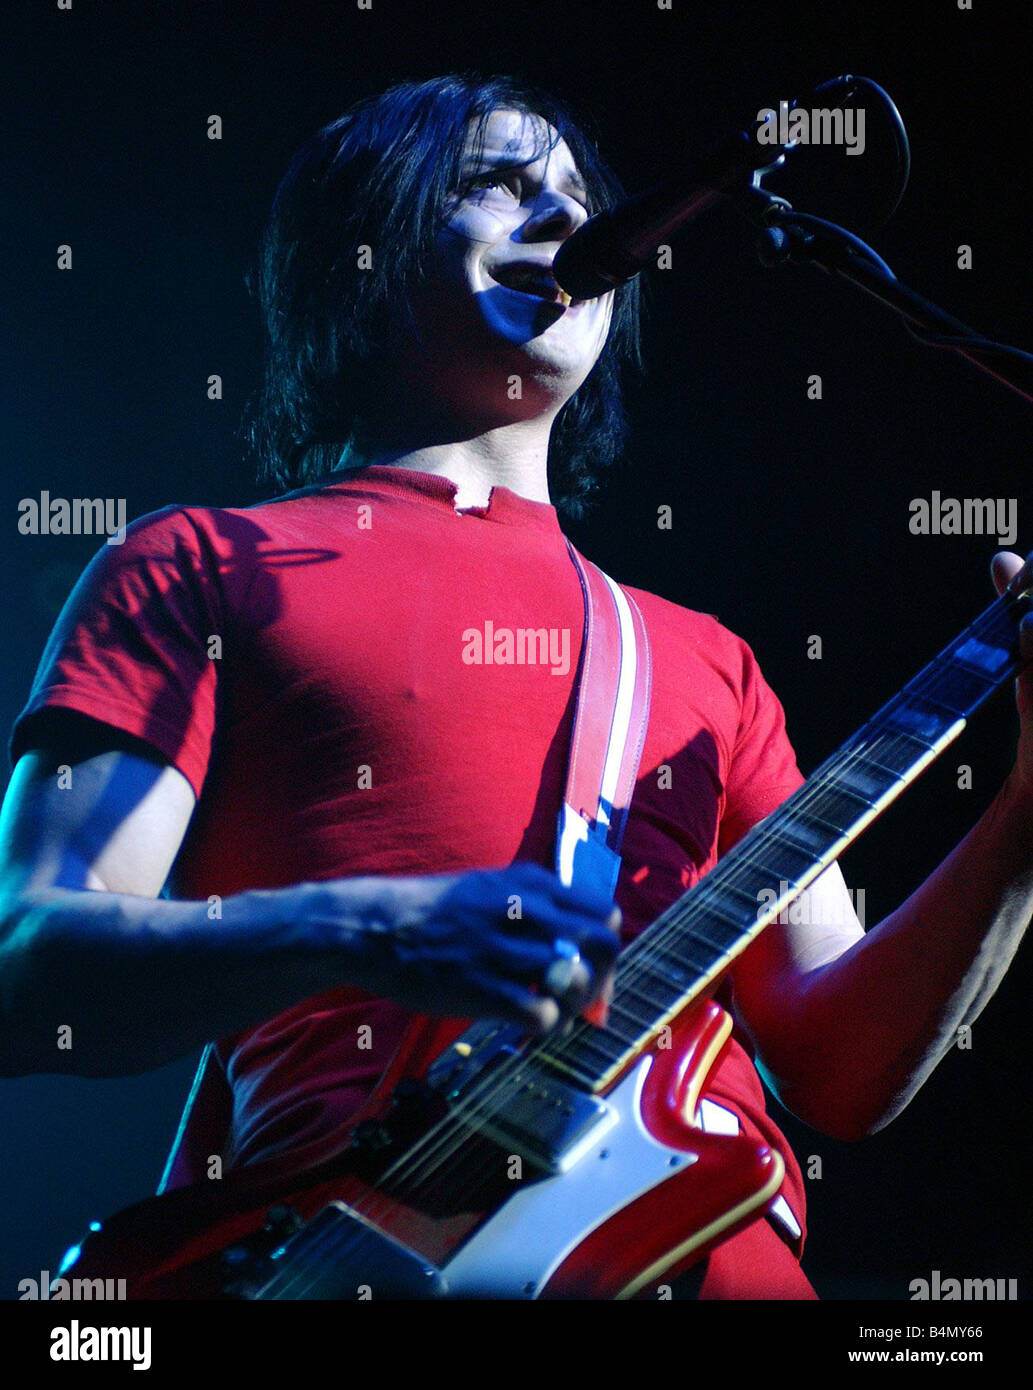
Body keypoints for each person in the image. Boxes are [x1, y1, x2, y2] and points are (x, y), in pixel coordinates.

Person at [1, 74, 1031, 1301]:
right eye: (495, 181)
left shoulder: (704, 657)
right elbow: (33, 960)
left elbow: (844, 1070)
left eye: (577, 195)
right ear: (360, 252)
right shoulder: (200, 566)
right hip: (359, 1259)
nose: (559, 213)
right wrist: (372, 927)